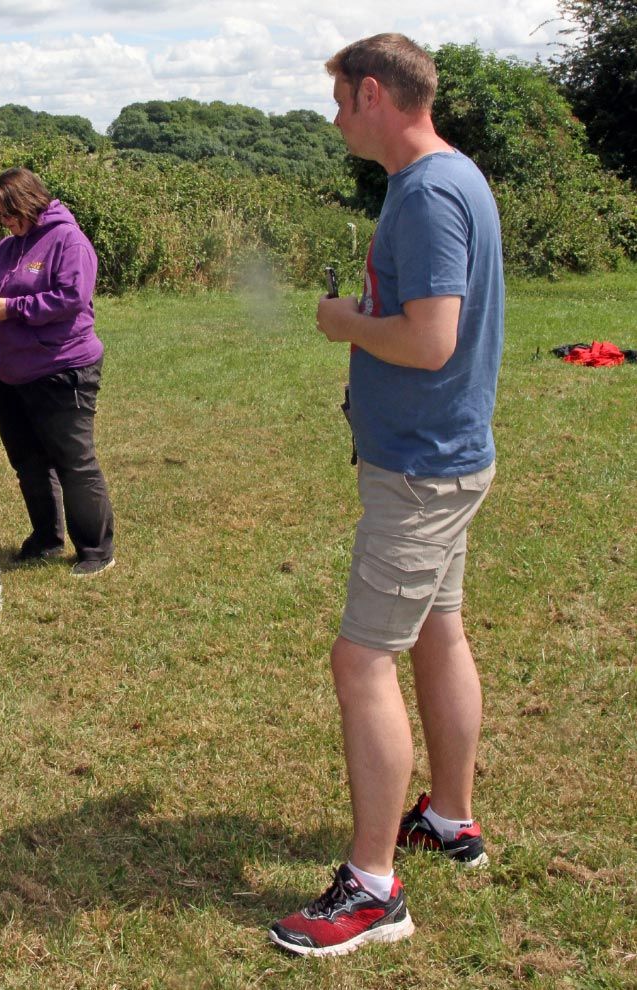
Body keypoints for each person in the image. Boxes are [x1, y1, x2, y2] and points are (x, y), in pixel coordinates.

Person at [268, 34, 504, 957]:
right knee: (438, 631)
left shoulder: (426, 192)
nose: (333, 120)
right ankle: (448, 817)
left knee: (359, 660)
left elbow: (430, 340)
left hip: (421, 470)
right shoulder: (453, 180)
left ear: (373, 93)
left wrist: (343, 326)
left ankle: (372, 890)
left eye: (337, 102)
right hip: (440, 460)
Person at [0, 167, 115, 576]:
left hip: (62, 370)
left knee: (73, 461)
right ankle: (46, 539)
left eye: (8, 213)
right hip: (11, 374)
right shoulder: (6, 246)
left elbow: (70, 298)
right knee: (29, 462)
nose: (4, 222)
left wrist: (11, 309)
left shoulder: (69, 240)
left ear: (28, 201)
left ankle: (96, 550)